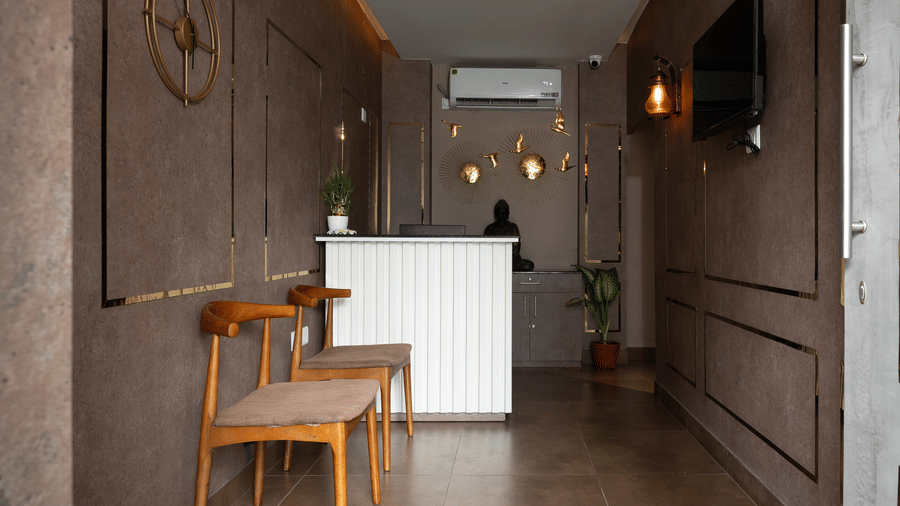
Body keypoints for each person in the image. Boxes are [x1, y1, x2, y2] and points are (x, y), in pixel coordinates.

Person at [484, 199, 534, 272]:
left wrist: (506, 257)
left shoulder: (513, 228)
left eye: (504, 213)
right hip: (495, 260)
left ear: (508, 214)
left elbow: (516, 251)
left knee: (529, 265)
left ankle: (501, 267)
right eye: (500, 213)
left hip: (510, 260)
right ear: (496, 214)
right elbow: (486, 250)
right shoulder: (489, 229)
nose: (502, 216)